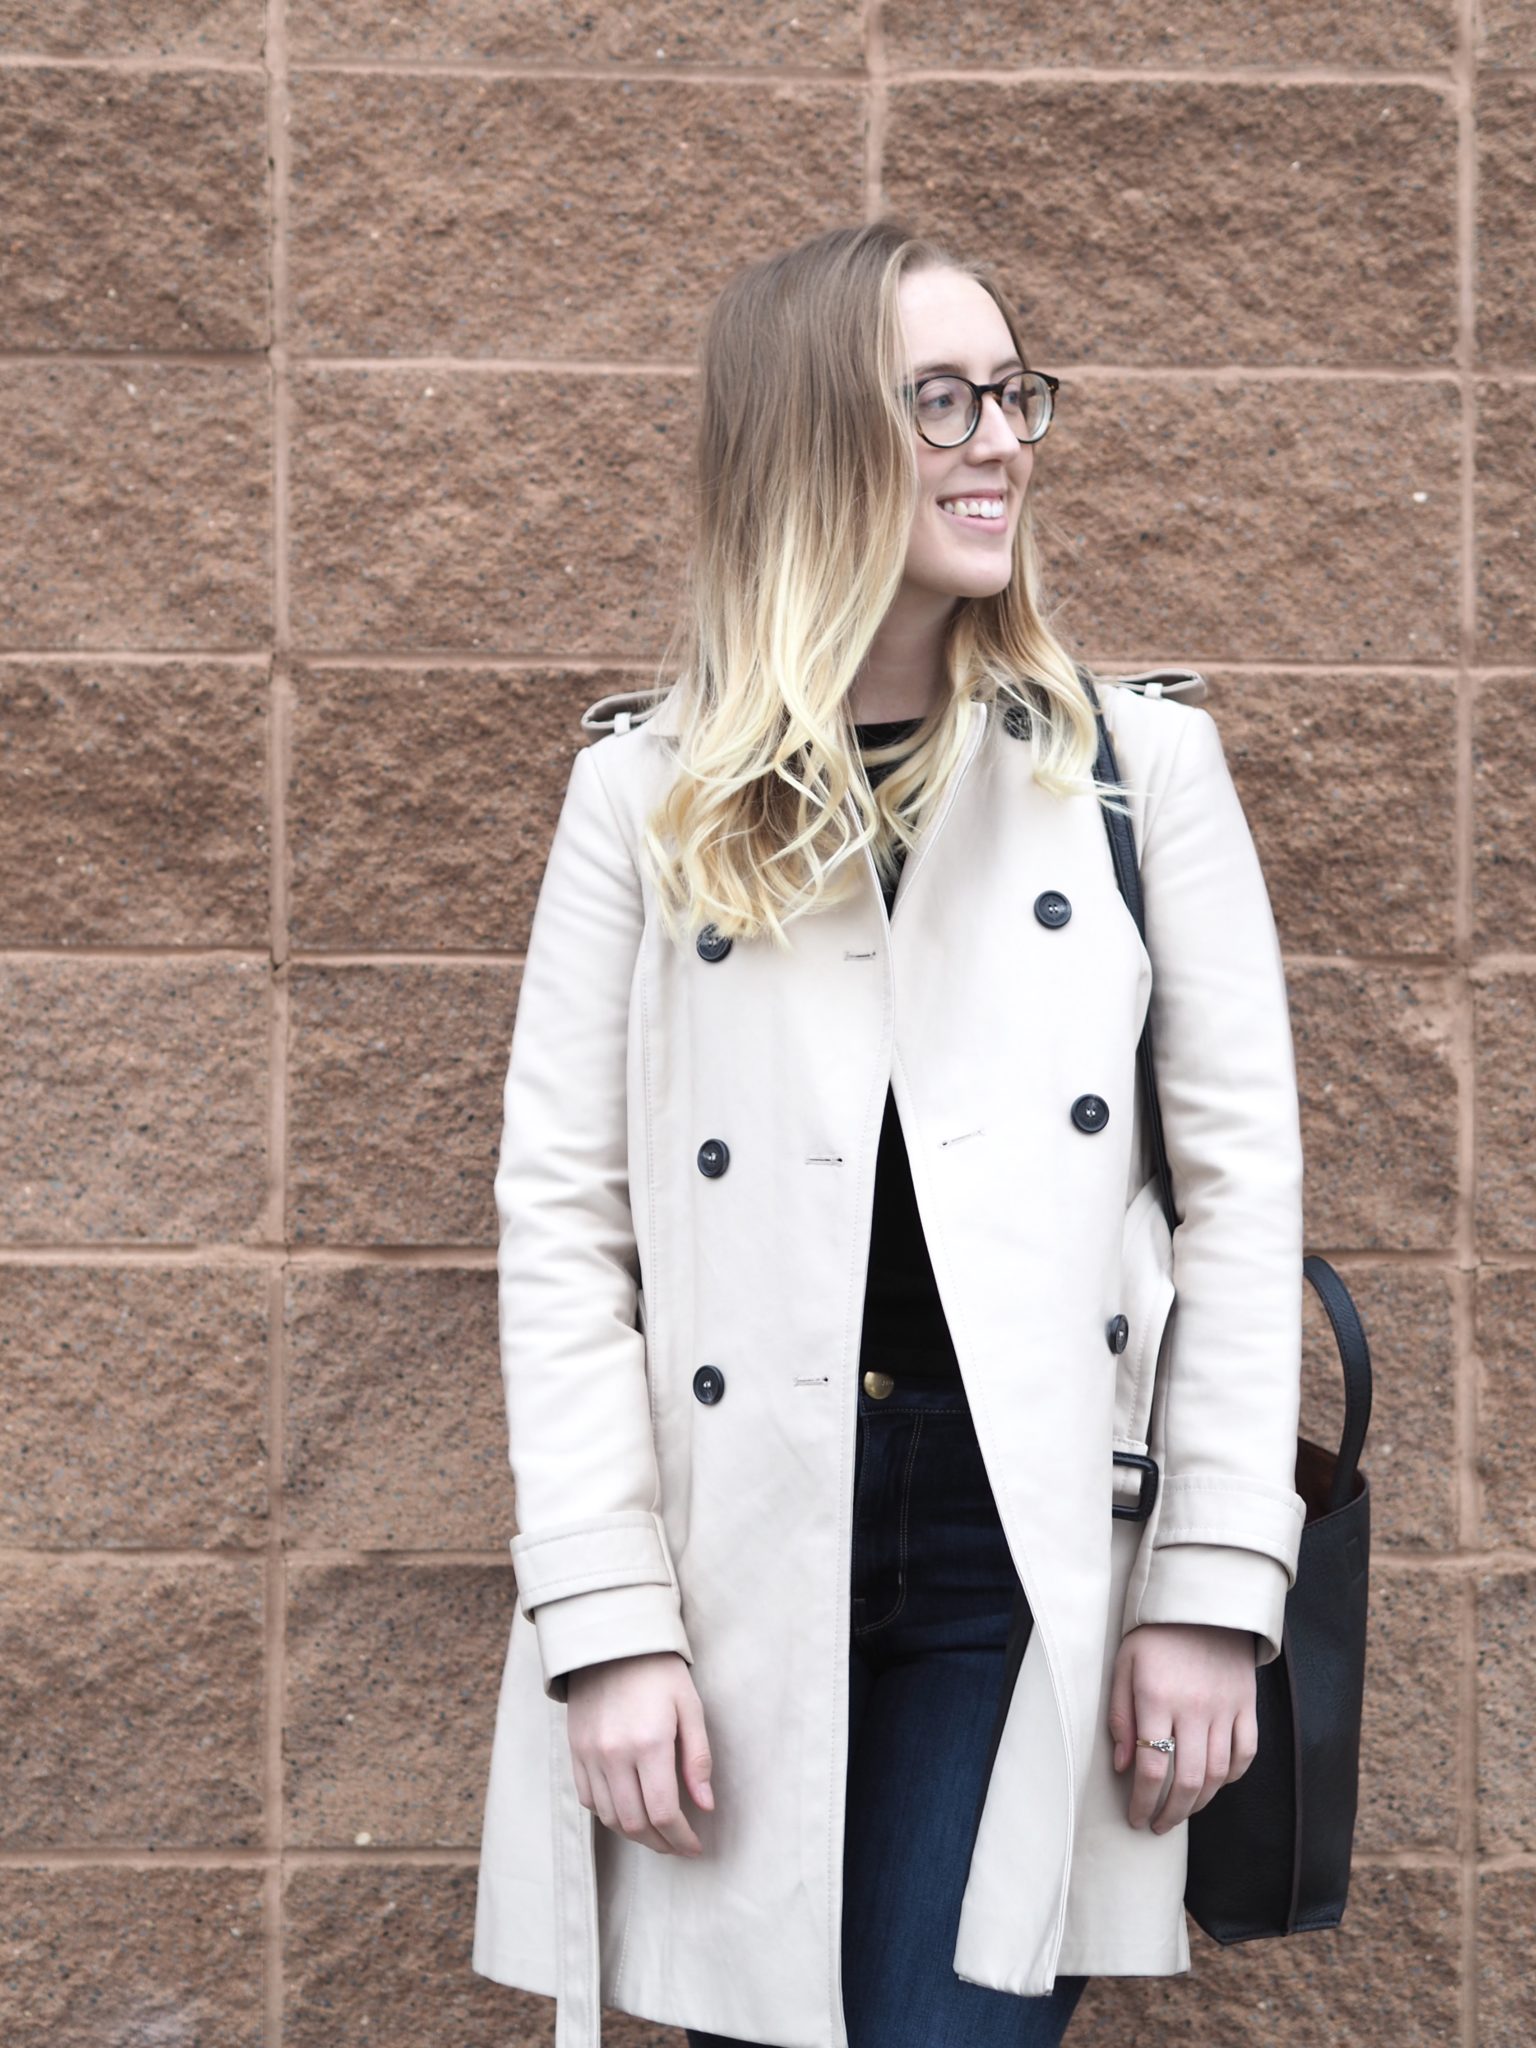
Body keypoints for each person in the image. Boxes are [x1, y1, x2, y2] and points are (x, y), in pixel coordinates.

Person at [472, 221, 1306, 2048]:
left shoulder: (1133, 770)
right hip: (737, 1553)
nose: (1001, 438)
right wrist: (606, 1625)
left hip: (1025, 1553)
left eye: (1016, 394)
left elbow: (1243, 1201)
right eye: (943, 399)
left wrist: (1216, 1586)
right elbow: (566, 1227)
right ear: (810, 437)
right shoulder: (644, 793)